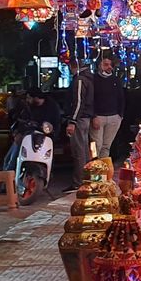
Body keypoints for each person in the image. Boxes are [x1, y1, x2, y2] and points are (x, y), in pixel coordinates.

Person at [3, 87, 63, 171]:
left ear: (35, 97)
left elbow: (56, 124)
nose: (27, 100)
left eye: (29, 98)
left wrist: (51, 133)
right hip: (26, 135)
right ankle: (6, 179)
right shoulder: (27, 107)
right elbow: (19, 118)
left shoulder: (52, 107)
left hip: (43, 138)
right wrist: (18, 131)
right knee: (10, 160)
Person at [63, 60, 94, 192]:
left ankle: (79, 182)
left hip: (80, 119)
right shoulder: (89, 78)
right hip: (85, 118)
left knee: (79, 151)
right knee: (84, 150)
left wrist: (72, 121)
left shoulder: (80, 80)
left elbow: (78, 102)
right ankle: (86, 178)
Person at [91, 54, 125, 160]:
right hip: (98, 117)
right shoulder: (93, 80)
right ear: (99, 66)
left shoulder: (116, 80)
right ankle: (93, 167)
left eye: (111, 65)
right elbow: (90, 99)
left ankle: (102, 172)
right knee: (96, 145)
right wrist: (93, 116)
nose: (109, 67)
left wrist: (120, 115)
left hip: (114, 117)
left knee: (106, 146)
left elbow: (121, 98)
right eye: (106, 65)